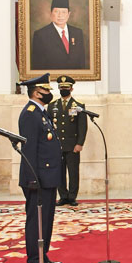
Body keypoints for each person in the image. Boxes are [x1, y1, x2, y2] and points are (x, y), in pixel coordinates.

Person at [18, 73, 63, 263]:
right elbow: (29, 150)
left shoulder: (41, 112)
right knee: (36, 221)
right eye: (46, 91)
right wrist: (31, 178)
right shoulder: (30, 114)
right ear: (37, 93)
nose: (49, 94)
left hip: (48, 178)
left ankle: (43, 256)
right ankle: (34, 260)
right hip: (37, 179)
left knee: (46, 219)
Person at [49, 75, 88, 207]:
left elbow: (82, 127)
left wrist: (80, 144)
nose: (63, 90)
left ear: (71, 89)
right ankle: (63, 196)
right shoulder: (52, 106)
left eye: (66, 88)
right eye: (61, 88)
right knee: (59, 172)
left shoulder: (78, 106)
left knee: (73, 172)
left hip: (73, 146)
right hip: (57, 146)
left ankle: (72, 196)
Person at [30, 0, 87, 70]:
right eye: (56, 11)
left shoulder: (77, 33)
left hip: (75, 79)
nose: (60, 15)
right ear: (51, 13)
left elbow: (81, 62)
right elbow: (38, 66)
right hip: (52, 79)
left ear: (68, 14)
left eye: (64, 12)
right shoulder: (40, 35)